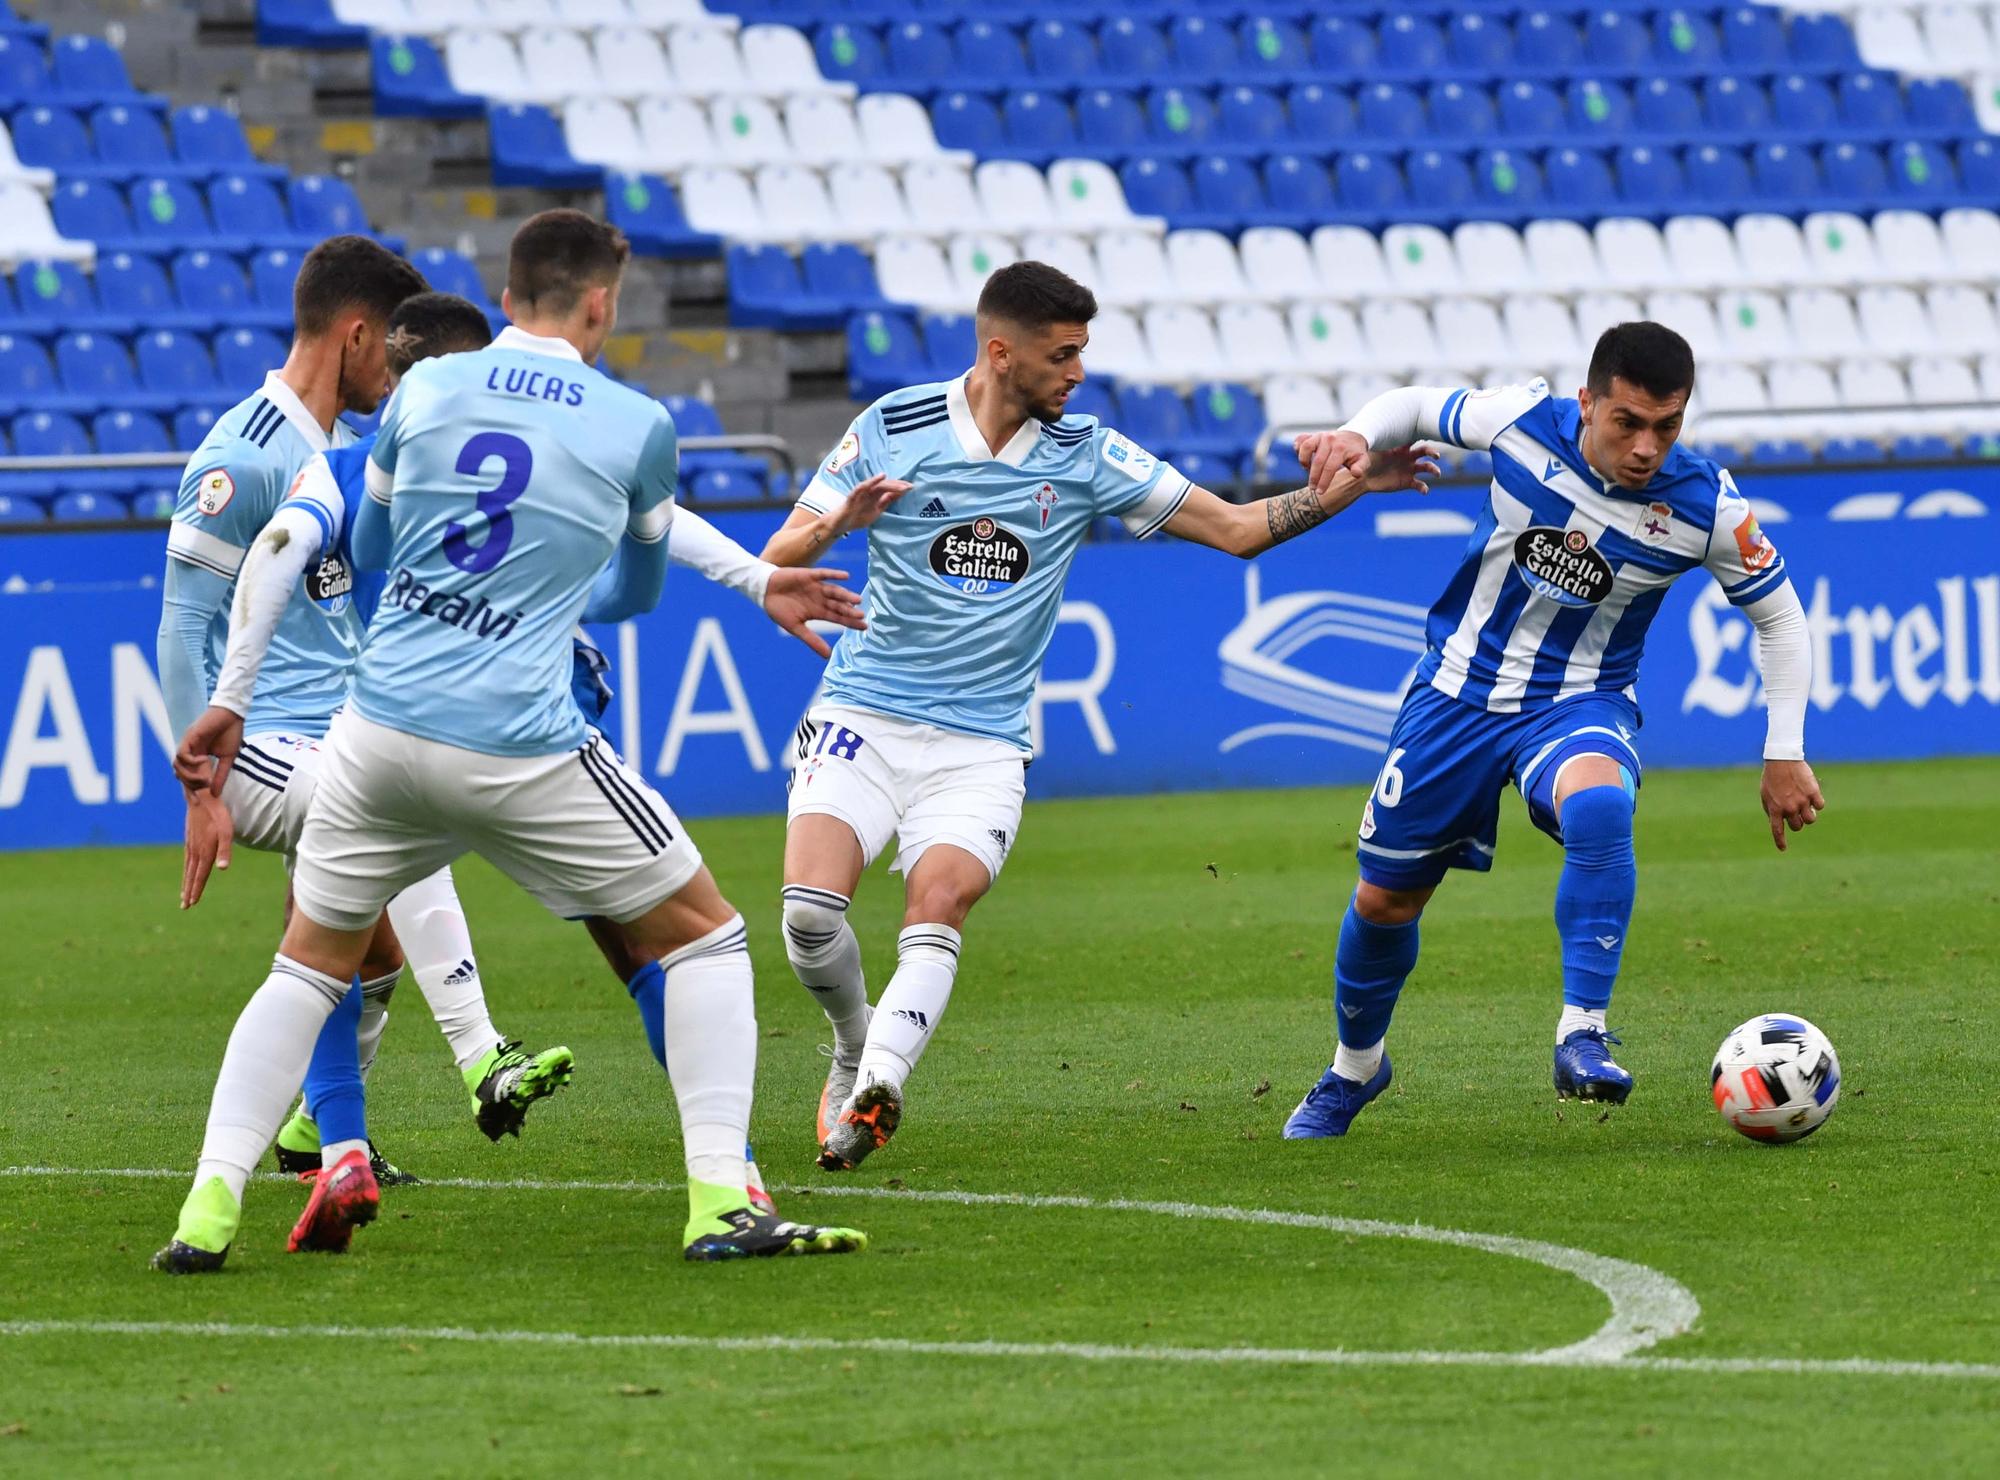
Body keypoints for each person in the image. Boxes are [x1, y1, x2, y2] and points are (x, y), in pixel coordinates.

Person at [155, 210, 869, 1272]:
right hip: (516, 735)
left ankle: (207, 1213)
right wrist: (569, 568)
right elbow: (630, 587)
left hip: (375, 728)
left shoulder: (426, 392)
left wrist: (227, 697)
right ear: (598, 303)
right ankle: (721, 1196)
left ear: (507, 295)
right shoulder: (633, 423)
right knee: (705, 932)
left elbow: (369, 541)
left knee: (306, 964)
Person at [760, 260, 1431, 1171]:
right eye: (1062, 355)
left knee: (941, 898)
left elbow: (1234, 529)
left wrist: (1340, 490)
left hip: (983, 743)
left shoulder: (1085, 455)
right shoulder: (894, 426)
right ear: (1002, 354)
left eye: (1082, 353)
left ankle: (877, 1087)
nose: (1078, 373)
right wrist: (840, 522)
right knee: (807, 915)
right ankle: (851, 1043)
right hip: (865, 713)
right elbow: (782, 551)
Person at [1279, 322, 1826, 1139]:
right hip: (1455, 694)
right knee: (1386, 900)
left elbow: (1780, 618)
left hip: (1578, 704)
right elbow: (1418, 406)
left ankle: (1582, 1032)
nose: (1647, 447)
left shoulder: (1706, 504)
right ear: (1587, 402)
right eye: (1628, 422)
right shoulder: (1521, 421)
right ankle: (1356, 1068)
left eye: (1666, 427)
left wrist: (1785, 752)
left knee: (1602, 808)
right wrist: (1357, 434)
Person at [157, 244, 568, 1194]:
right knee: (398, 814)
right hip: (261, 748)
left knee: (362, 955)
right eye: (392, 355)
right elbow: (181, 624)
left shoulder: (346, 457)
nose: (398, 378)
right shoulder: (245, 453)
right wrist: (200, 785)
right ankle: (480, 1057)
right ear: (354, 335)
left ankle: (322, 1134)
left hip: (334, 734)